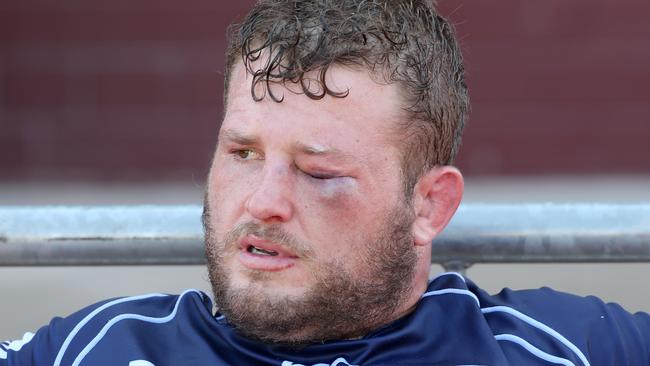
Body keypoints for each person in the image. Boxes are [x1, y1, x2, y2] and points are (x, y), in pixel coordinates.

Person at [2, 0, 649, 365]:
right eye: (243, 153)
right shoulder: (101, 350)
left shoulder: (548, 349)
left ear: (430, 205)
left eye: (319, 174)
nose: (263, 203)